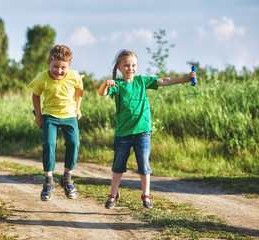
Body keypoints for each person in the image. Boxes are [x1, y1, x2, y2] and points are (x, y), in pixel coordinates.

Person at [98, 50, 196, 209]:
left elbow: (163, 80)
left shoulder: (142, 81)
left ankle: (146, 195)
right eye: (127, 65)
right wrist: (105, 84)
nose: (130, 68)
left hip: (142, 132)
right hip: (122, 134)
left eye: (134, 65)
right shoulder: (118, 84)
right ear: (119, 67)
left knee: (143, 165)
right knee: (118, 166)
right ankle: (113, 194)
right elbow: (102, 93)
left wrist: (185, 79)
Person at [28, 45, 84, 201]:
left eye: (63, 67)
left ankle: (67, 178)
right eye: (55, 67)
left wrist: (78, 108)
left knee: (74, 143)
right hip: (49, 116)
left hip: (69, 115)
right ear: (48, 63)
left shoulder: (73, 76)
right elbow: (36, 95)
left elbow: (80, 88)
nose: (59, 71)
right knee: (49, 144)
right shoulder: (41, 78)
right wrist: (38, 116)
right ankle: (48, 181)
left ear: (69, 66)